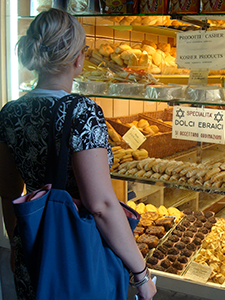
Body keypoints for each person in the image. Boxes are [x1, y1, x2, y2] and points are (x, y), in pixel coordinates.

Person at [0, 8, 156, 300]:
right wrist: (141, 273)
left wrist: (18, 244)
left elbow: (7, 192)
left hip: (34, 249)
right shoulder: (82, 112)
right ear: (78, 58)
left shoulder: (10, 112)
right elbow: (100, 205)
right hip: (78, 255)